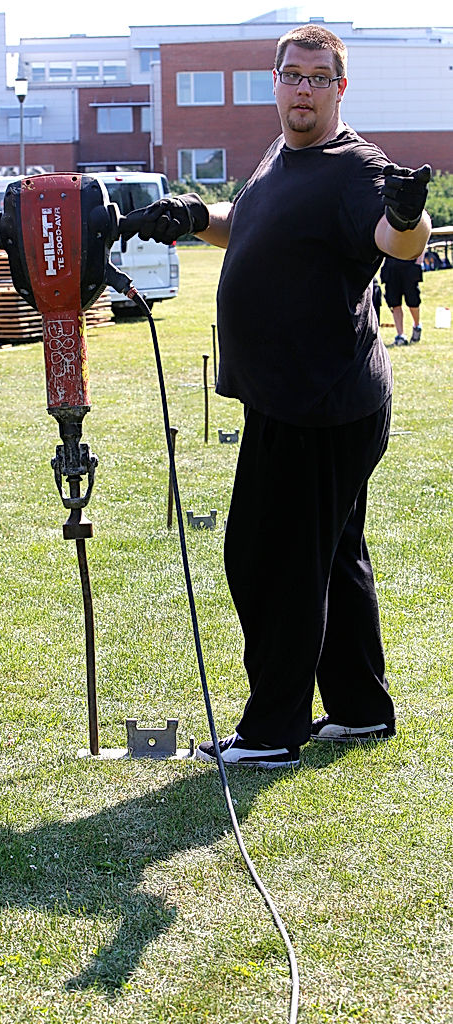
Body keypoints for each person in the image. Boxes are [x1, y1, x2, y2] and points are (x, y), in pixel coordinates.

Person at [124, 24, 431, 768]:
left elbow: (399, 241)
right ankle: (357, 709)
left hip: (317, 405)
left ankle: (269, 732)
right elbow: (252, 224)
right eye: (292, 75)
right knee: (330, 558)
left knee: (269, 561)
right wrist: (197, 217)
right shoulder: (282, 154)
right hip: (294, 400)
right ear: (275, 79)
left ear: (339, 87)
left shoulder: (357, 167)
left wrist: (405, 213)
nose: (302, 88)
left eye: (318, 78)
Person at [380, 251, 425, 345]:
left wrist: (419, 262)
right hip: (391, 266)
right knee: (394, 302)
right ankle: (400, 335)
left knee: (413, 301)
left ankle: (417, 326)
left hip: (410, 264)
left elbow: (423, 241)